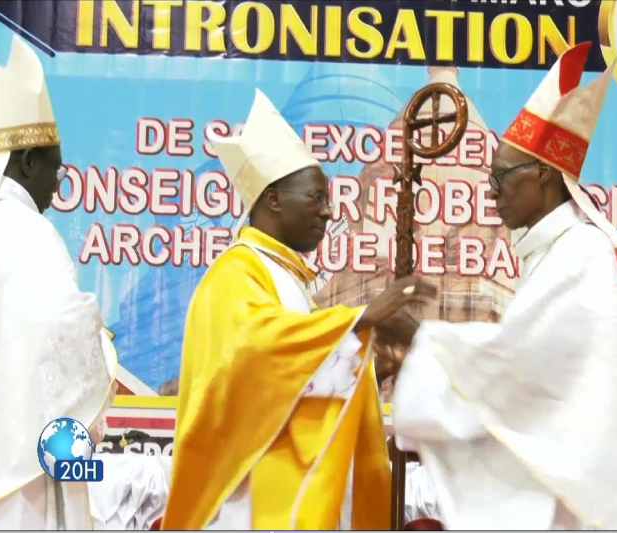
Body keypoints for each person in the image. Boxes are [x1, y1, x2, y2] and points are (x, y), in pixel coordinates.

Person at [391, 42, 617, 530]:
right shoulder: (557, 253)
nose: (492, 192)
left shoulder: (581, 254)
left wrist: (422, 340)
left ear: (544, 174)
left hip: (610, 495)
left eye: (502, 176)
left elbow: (518, 365)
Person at [162, 89, 437, 530]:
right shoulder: (236, 273)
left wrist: (369, 364)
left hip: (296, 497)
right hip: (250, 502)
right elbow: (255, 353)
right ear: (272, 200)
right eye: (315, 198)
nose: (330, 213)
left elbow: (297, 379)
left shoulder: (287, 279)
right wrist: (362, 317)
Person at [0, 37, 117, 529]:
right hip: (21, 481)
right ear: (26, 163)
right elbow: (61, 333)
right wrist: (102, 349)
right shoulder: (25, 230)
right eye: (55, 170)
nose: (57, 188)